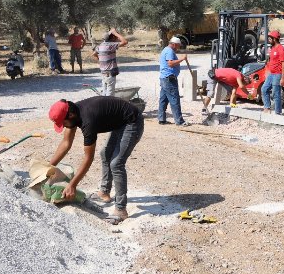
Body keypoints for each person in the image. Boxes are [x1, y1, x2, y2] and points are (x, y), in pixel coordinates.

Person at [47, 96, 143, 224]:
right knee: (105, 154)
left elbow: (88, 158)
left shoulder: (88, 121)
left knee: (116, 163)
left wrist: (72, 185)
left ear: (70, 115)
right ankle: (104, 193)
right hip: (120, 121)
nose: (63, 126)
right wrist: (49, 166)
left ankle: (121, 210)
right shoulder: (72, 114)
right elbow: (66, 143)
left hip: (132, 121)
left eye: (62, 123)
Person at [158, 36, 189, 126]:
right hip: (169, 79)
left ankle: (161, 119)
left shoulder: (165, 50)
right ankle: (179, 121)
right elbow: (170, 63)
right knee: (174, 99)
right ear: (174, 44)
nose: (178, 48)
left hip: (164, 78)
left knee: (163, 100)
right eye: (178, 46)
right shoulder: (169, 51)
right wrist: (182, 59)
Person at [92, 28, 128, 96]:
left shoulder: (100, 46)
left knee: (104, 94)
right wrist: (115, 33)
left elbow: (94, 54)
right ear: (112, 37)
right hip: (110, 74)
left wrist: (101, 62)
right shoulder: (110, 45)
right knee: (110, 97)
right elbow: (125, 41)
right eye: (115, 37)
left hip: (103, 73)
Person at [261, 30, 284, 115]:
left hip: (278, 74)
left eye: (270, 38)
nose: (268, 39)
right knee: (264, 89)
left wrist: (283, 78)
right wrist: (267, 71)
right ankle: (267, 108)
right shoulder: (272, 48)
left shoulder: (281, 49)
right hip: (271, 74)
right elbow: (270, 61)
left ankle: (278, 112)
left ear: (274, 39)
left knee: (276, 93)